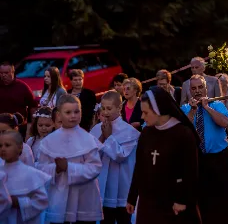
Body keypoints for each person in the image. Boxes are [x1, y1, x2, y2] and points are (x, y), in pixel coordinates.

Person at [126, 87, 201, 224]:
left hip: (174, 203)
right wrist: (132, 197)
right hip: (148, 203)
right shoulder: (146, 133)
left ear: (159, 110)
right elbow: (140, 167)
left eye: (145, 112)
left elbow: (190, 172)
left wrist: (182, 200)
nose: (142, 117)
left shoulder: (183, 134)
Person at [181, 75, 228, 224]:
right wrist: (193, 112)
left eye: (200, 87)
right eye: (193, 88)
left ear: (205, 88)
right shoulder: (185, 108)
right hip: (197, 158)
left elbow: (225, 123)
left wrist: (207, 107)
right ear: (189, 91)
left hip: (218, 158)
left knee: (223, 196)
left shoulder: (217, 105)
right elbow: (183, 130)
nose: (197, 91)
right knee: (201, 198)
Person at [36, 94, 103, 224]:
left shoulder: (88, 139)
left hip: (84, 197)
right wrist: (56, 169)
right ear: (59, 115)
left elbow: (95, 168)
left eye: (76, 111)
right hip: (60, 197)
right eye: (68, 112)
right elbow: (40, 168)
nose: (73, 116)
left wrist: (69, 167)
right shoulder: (49, 141)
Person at [90, 91, 140, 224]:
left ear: (119, 108)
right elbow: (90, 155)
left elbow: (120, 155)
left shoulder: (130, 132)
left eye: (109, 108)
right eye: (103, 108)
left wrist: (109, 137)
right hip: (102, 185)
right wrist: (101, 137)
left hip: (122, 187)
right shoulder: (96, 129)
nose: (105, 112)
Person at [0, 130, 51, 224]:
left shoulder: (31, 174)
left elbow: (42, 201)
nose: (3, 149)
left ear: (20, 148)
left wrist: (20, 202)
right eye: (0, 146)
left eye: (7, 145)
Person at [0, 61, 37, 138]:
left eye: (6, 73)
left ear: (13, 72)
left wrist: (34, 124)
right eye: (1, 73)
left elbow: (33, 106)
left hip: (19, 126)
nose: (3, 75)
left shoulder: (22, 87)